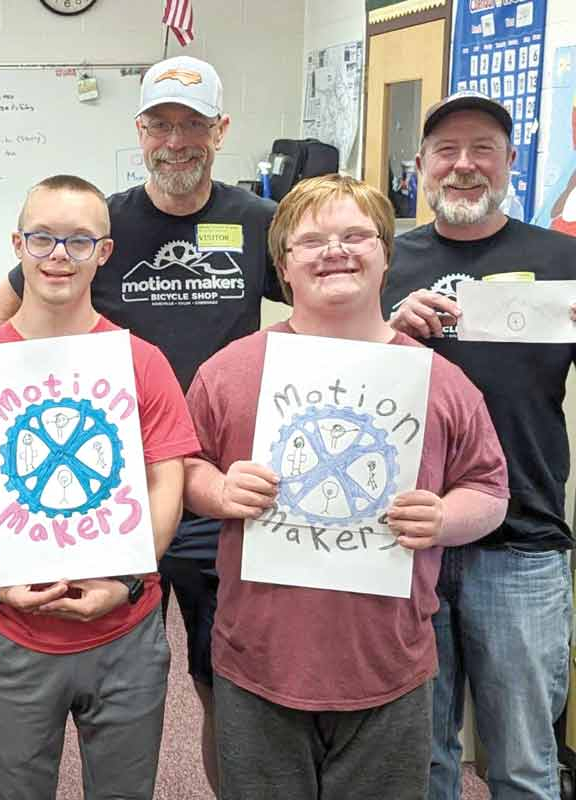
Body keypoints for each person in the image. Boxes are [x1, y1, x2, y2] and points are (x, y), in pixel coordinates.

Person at [0, 55, 283, 792]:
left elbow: (321, 295)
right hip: (111, 493)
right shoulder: (101, 224)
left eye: (192, 125)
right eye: (160, 125)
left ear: (221, 130)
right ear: (139, 131)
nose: (175, 141)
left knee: (224, 687)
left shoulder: (258, 221)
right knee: (104, 651)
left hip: (215, 491)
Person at [183, 173, 509, 799]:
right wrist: (217, 490)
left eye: (356, 235)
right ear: (283, 265)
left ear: (387, 254)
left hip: (388, 664)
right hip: (259, 661)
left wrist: (444, 517)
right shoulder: (227, 371)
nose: (335, 251)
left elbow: (488, 491)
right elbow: (183, 468)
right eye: (312, 241)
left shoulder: (439, 380)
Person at [0, 175, 197, 799]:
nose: (58, 257)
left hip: (126, 629)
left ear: (104, 252)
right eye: (43, 238)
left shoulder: (142, 361)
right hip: (14, 635)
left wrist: (128, 578)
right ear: (17, 244)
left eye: (79, 242)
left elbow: (167, 483)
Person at [382, 90, 576, 800]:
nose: (464, 166)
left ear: (510, 163)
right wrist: (388, 327)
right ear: (421, 165)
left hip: (522, 541)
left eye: (483, 150)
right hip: (406, 539)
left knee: (524, 761)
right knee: (421, 758)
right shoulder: (382, 262)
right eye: (447, 151)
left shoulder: (562, 258)